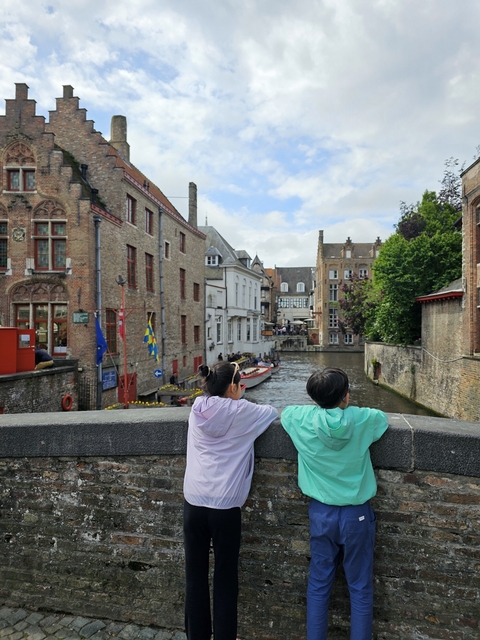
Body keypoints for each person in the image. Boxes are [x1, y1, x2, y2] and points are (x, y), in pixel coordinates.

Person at [281, 367, 388, 640]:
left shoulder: (300, 419)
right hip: (357, 514)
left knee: (319, 584)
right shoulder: (362, 419)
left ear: (314, 398)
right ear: (346, 395)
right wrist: (347, 410)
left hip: (321, 513)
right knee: (360, 587)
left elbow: (286, 413)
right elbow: (382, 420)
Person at [183, 361, 278, 640]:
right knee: (225, 577)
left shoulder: (197, 408)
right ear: (234, 387)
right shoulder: (243, 411)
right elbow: (272, 412)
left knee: (195, 575)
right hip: (225, 506)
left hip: (194, 500)